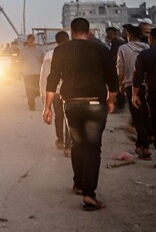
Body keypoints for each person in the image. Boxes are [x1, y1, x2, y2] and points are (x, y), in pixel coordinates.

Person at [43, 18, 118, 211]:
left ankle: (78, 184)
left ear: (72, 31)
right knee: (93, 148)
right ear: (88, 31)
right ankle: (89, 194)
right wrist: (110, 101)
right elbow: (113, 80)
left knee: (77, 144)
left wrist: (47, 107)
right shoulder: (101, 50)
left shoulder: (61, 50)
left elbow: (52, 80)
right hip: (95, 104)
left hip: (71, 104)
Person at [117, 25, 150, 159]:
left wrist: (120, 84)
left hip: (130, 85)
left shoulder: (123, 48)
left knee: (137, 116)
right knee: (145, 115)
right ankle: (140, 144)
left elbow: (120, 68)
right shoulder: (146, 47)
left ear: (129, 35)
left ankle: (144, 146)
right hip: (146, 85)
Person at [39, 30, 71, 155]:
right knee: (69, 118)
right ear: (68, 40)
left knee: (59, 116)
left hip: (55, 91)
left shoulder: (49, 54)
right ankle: (69, 147)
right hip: (69, 91)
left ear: (56, 42)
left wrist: (43, 95)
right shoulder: (74, 53)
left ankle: (60, 140)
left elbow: (44, 76)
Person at [132, 27, 156, 168]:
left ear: (151, 39)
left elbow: (138, 76)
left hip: (155, 96)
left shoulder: (145, 55)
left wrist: (134, 94)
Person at [21, 34, 45, 111]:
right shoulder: (23, 50)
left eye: (32, 39)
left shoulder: (39, 49)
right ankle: (31, 105)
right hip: (27, 73)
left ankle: (33, 97)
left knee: (37, 89)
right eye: (29, 39)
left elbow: (43, 59)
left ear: (34, 40)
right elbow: (20, 61)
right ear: (27, 40)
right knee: (29, 90)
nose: (31, 41)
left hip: (37, 72)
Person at [105, 27, 127, 111]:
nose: (107, 35)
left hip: (117, 67)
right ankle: (120, 105)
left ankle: (120, 106)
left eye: (108, 33)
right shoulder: (119, 42)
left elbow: (114, 55)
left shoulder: (116, 42)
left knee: (118, 86)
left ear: (111, 33)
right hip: (119, 67)